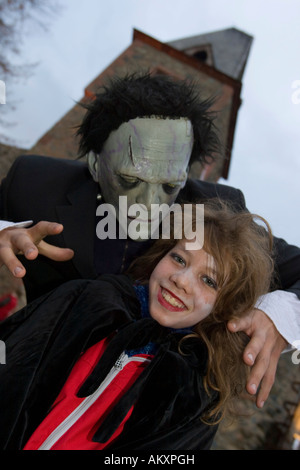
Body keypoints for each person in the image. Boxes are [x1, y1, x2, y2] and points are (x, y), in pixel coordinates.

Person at [0, 73, 299, 410]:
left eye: (169, 186)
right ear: (97, 165)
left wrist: (280, 317)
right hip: (28, 394)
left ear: (185, 174)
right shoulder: (33, 184)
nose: (149, 204)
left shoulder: (218, 211)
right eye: (130, 179)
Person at [0, 201, 274, 450]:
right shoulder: (85, 302)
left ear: (223, 308)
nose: (181, 279)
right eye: (179, 259)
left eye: (209, 281)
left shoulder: (193, 398)